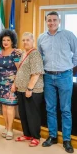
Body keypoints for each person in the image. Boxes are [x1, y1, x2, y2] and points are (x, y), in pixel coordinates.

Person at [38, 11, 77, 153]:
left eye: (54, 20)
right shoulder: (41, 38)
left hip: (65, 76)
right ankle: (52, 136)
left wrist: (70, 68)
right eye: (49, 20)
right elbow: (39, 56)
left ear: (59, 21)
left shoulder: (68, 35)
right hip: (48, 76)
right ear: (46, 21)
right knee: (50, 108)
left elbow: (76, 53)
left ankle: (66, 140)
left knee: (66, 109)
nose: (52, 22)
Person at [13, 32, 44, 147]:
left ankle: (36, 136)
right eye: (23, 40)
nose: (25, 42)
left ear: (33, 41)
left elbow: (36, 73)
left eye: (28, 40)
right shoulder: (24, 53)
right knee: (23, 113)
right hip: (21, 89)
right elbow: (21, 69)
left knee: (32, 114)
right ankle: (27, 134)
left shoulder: (35, 54)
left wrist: (30, 88)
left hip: (32, 90)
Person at [0, 29, 20, 140]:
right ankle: (6, 128)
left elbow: (19, 70)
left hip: (11, 84)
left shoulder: (15, 52)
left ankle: (10, 129)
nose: (5, 42)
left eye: (8, 40)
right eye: (4, 40)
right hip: (1, 83)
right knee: (4, 107)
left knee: (10, 107)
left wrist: (15, 84)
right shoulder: (0, 52)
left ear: (12, 41)